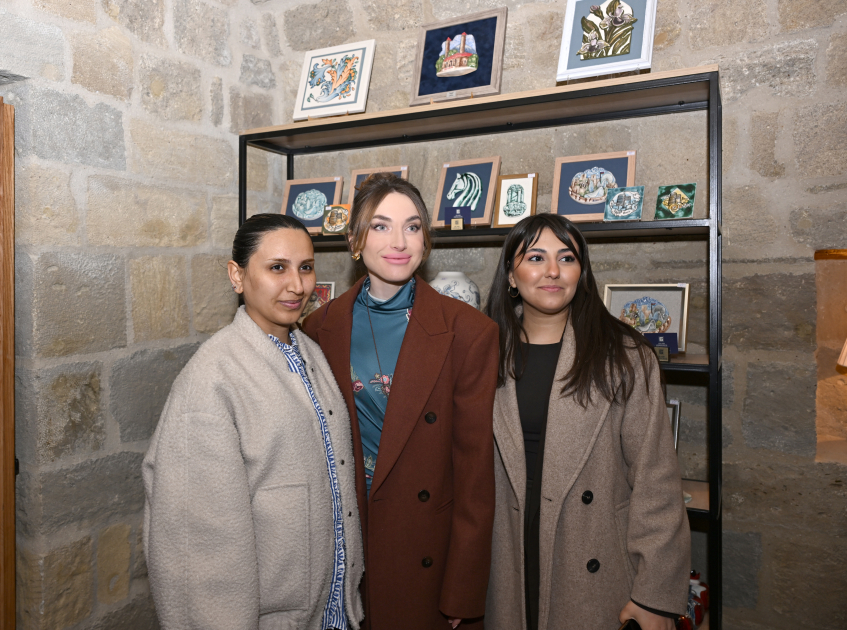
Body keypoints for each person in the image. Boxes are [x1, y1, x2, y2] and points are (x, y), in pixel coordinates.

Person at [143, 214, 364, 630]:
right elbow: (200, 551)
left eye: (305, 267)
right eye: (277, 268)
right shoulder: (211, 381)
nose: (297, 285)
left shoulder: (309, 353)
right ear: (237, 275)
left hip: (332, 614)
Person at [301, 173, 499, 630]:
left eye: (412, 227)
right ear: (354, 240)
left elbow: (475, 475)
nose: (399, 242)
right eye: (380, 226)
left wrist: (462, 592)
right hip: (346, 545)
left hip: (424, 549)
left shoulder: (469, 332)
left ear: (426, 241)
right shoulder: (319, 328)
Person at [483, 214, 690, 630]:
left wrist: (654, 596)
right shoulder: (481, 354)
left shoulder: (625, 356)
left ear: (582, 273)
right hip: (504, 555)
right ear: (511, 275)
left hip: (593, 560)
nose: (553, 271)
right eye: (536, 257)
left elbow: (656, 481)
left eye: (567, 258)